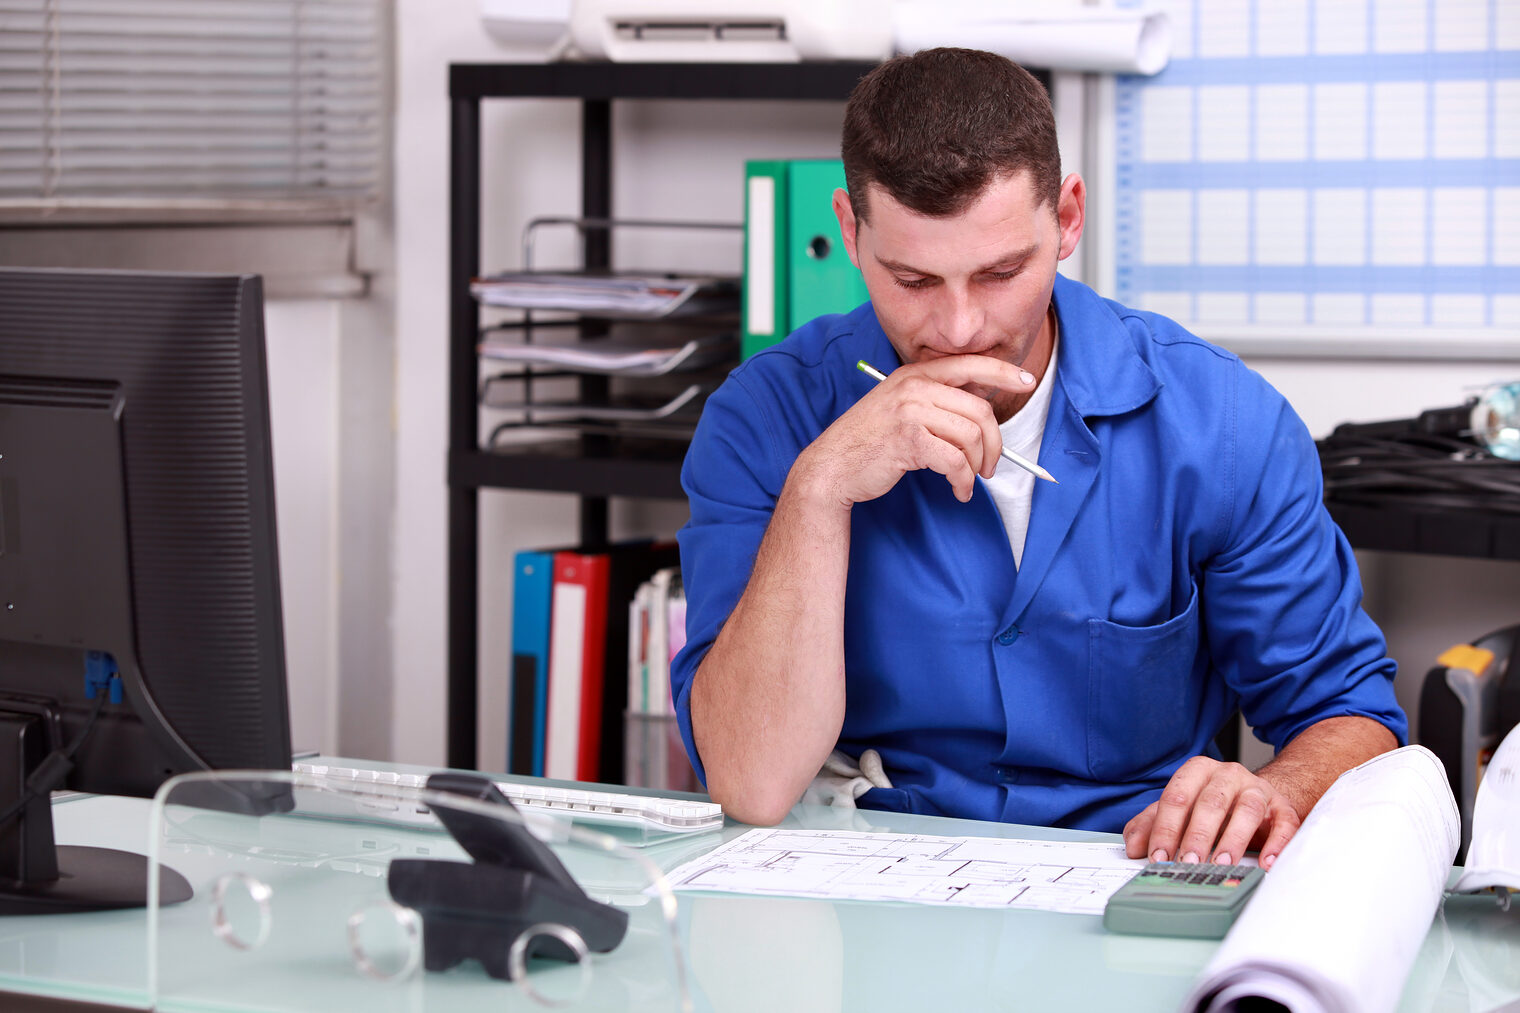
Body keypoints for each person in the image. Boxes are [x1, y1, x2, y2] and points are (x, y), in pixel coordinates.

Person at [671, 48, 1406, 869]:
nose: (956, 329)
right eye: (912, 278)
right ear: (850, 229)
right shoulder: (763, 417)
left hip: (1129, 872)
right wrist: (820, 488)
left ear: (1067, 219)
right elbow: (749, 782)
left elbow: (1351, 714)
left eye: (999, 273)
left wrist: (1278, 790)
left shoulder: (1221, 423)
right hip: (860, 874)